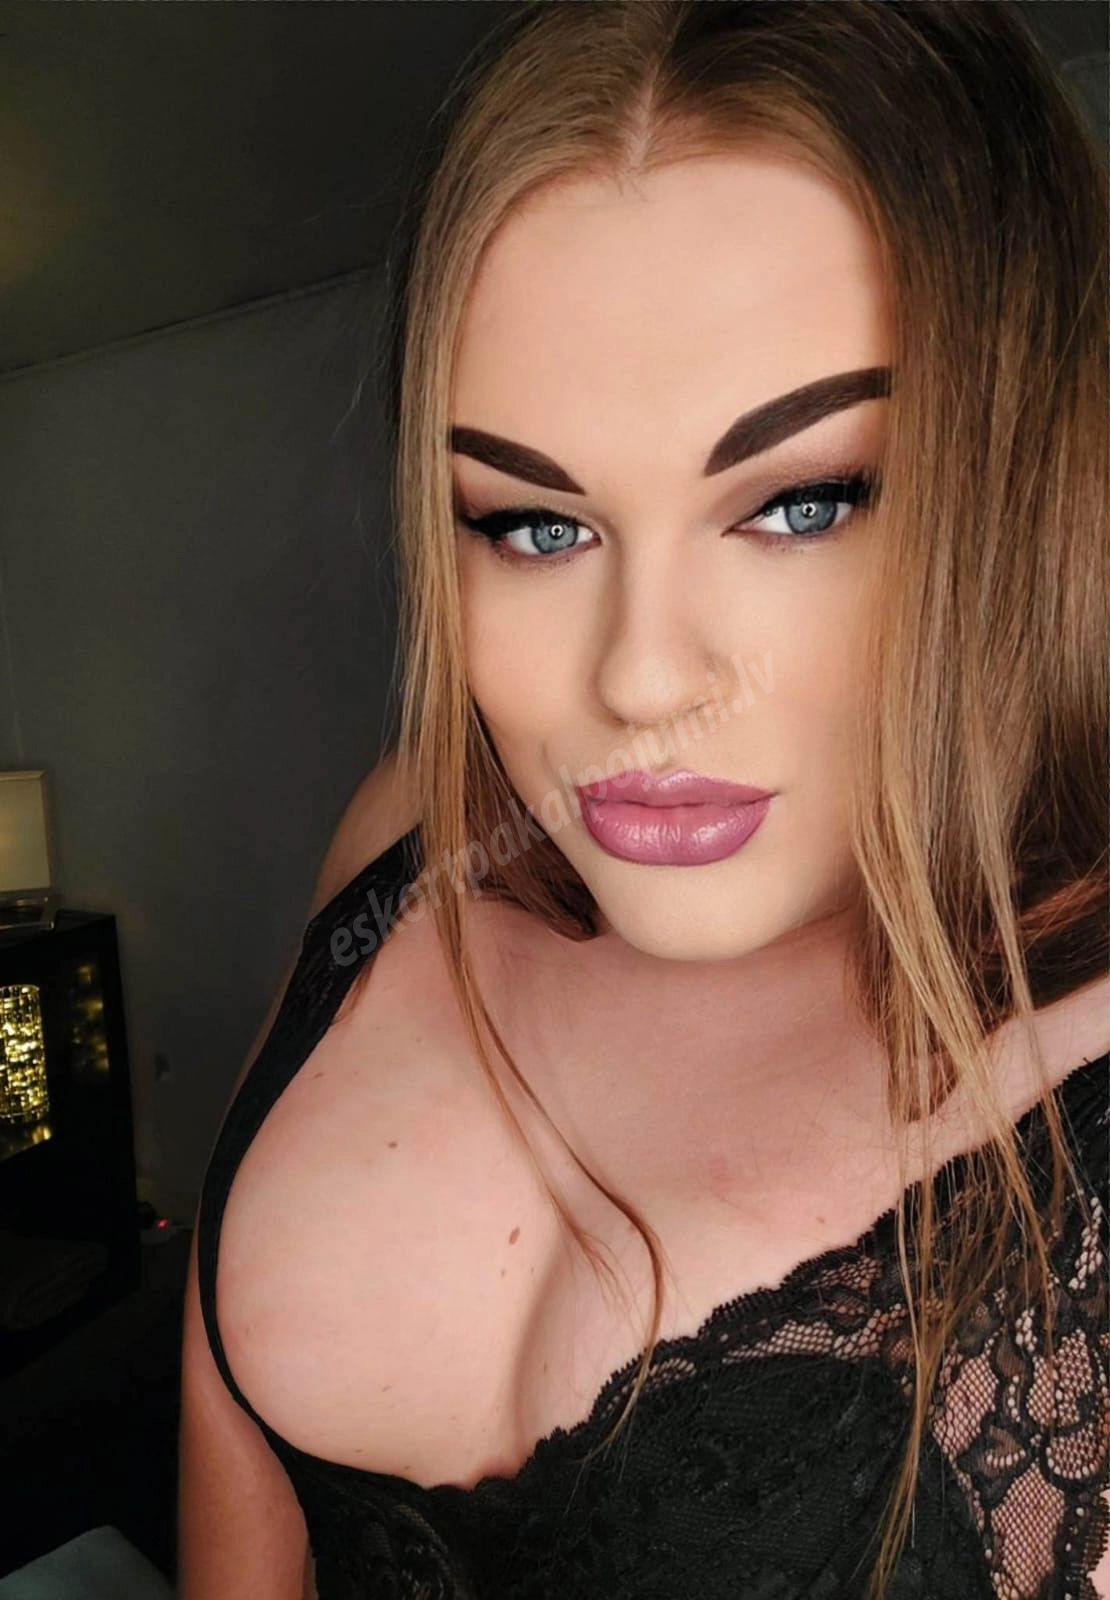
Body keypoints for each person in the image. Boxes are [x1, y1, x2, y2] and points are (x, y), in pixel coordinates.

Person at [177, 3, 1109, 1597]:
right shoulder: (410, 832)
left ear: (1024, 482)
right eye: (534, 525)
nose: (640, 677)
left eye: (801, 503)